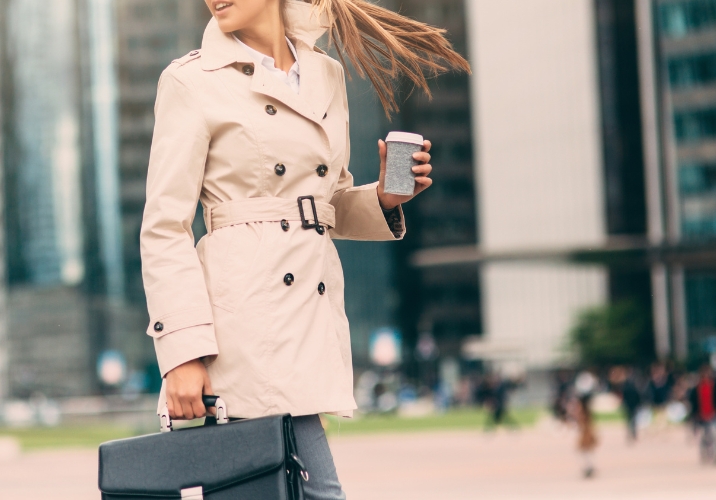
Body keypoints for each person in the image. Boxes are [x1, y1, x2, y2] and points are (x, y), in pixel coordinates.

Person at [140, 1, 469, 498]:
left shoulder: (325, 74)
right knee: (313, 490)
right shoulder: (191, 81)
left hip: (306, 315)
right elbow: (164, 228)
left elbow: (325, 204)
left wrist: (383, 197)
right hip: (238, 328)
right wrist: (183, 352)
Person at [687, 365, 716, 465]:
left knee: (715, 435)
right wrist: (693, 415)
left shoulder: (714, 386)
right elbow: (694, 403)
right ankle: (704, 454)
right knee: (704, 437)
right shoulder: (696, 388)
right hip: (701, 416)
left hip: (713, 414)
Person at [570, 371, 598, 478]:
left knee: (585, 450)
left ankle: (588, 467)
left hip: (585, 430)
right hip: (586, 429)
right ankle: (589, 466)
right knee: (588, 450)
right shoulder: (587, 406)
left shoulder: (583, 407)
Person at [611, 366, 642, 443]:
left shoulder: (625, 385)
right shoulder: (632, 384)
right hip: (632, 404)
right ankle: (632, 434)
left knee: (630, 420)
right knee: (632, 421)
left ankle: (631, 434)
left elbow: (624, 396)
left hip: (630, 404)